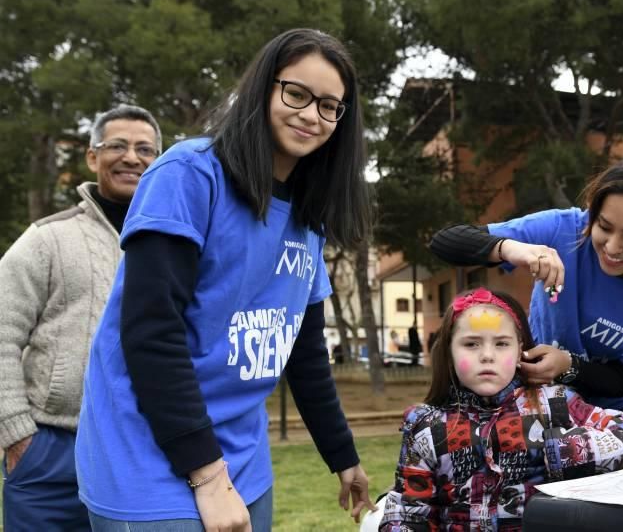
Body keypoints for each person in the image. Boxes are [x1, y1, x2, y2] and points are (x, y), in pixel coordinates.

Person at [75, 29, 375, 531]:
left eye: (329, 106)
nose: (310, 115)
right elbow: (152, 335)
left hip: (244, 463)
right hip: (149, 462)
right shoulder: (188, 175)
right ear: (263, 88)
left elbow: (303, 352)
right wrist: (208, 478)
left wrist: (342, 455)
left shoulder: (309, 216)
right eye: (296, 93)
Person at [430, 156, 623, 461]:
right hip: (539, 404)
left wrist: (567, 365)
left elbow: (622, 379)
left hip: (620, 413)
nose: (612, 247)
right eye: (604, 226)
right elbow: (445, 242)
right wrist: (513, 248)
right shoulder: (565, 230)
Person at [0, 104, 161, 531]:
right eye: (117, 146)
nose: (132, 157)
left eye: (145, 149)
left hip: (147, 452)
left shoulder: (179, 246)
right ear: (93, 156)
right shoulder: (47, 239)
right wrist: (18, 436)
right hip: (51, 453)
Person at [378, 287, 623, 530]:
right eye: (471, 344)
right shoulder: (427, 426)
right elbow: (408, 511)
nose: (487, 355)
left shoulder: (557, 404)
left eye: (501, 343)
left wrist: (566, 451)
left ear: (520, 352)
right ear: (449, 352)